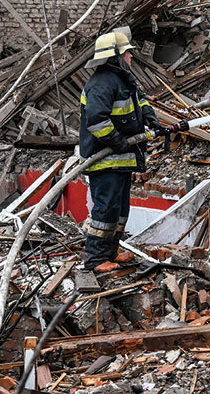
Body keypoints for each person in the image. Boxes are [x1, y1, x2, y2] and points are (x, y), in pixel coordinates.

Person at [79, 26, 162, 272]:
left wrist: (150, 117)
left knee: (119, 211)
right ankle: (95, 259)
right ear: (115, 56)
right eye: (127, 53)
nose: (131, 56)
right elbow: (97, 121)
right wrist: (119, 142)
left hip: (121, 160)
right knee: (105, 209)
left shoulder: (123, 79)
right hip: (105, 160)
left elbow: (139, 101)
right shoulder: (101, 84)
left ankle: (111, 252)